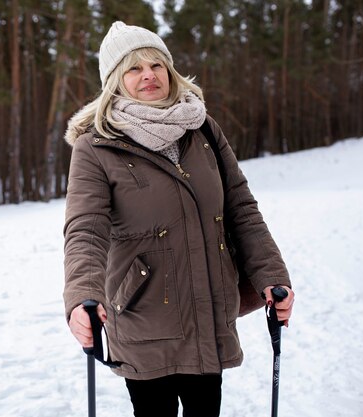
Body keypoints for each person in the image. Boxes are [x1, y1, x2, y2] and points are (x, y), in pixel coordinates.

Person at [62, 21, 295, 417]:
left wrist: (271, 275)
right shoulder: (95, 147)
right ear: (115, 81)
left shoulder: (201, 129)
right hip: (144, 318)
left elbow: (241, 208)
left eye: (156, 65)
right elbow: (85, 229)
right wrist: (81, 295)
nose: (148, 75)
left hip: (208, 311)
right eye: (134, 68)